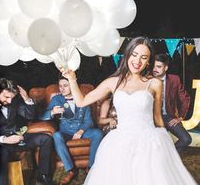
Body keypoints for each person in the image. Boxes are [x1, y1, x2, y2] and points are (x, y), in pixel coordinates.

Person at [60, 37, 197, 185]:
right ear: (127, 54)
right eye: (135, 54)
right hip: (120, 141)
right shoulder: (113, 82)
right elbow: (81, 101)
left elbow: (157, 116)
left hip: (149, 141)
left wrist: (166, 143)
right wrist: (72, 80)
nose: (138, 61)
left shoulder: (154, 83)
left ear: (148, 62)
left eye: (144, 57)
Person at [39, 74, 103, 185]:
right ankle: (71, 170)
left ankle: (91, 167)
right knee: (56, 135)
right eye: (60, 86)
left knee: (98, 133)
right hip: (66, 131)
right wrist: (52, 112)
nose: (62, 89)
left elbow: (89, 121)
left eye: (65, 86)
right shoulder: (56, 99)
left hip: (81, 130)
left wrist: (81, 131)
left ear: (73, 86)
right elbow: (41, 117)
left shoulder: (82, 98)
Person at [0, 78, 54, 185]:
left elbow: (30, 116)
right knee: (1, 155)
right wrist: (4, 139)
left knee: (46, 139)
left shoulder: (13, 102)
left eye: (12, 98)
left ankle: (43, 176)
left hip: (17, 138)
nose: (9, 101)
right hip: (0, 144)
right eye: (6, 97)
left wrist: (27, 98)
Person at [153, 53, 192, 152]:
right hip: (151, 117)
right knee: (155, 144)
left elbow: (185, 98)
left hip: (168, 117)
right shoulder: (147, 79)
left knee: (186, 139)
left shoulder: (175, 79)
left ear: (165, 68)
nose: (155, 69)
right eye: (153, 66)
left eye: (158, 67)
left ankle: (170, 155)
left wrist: (180, 117)